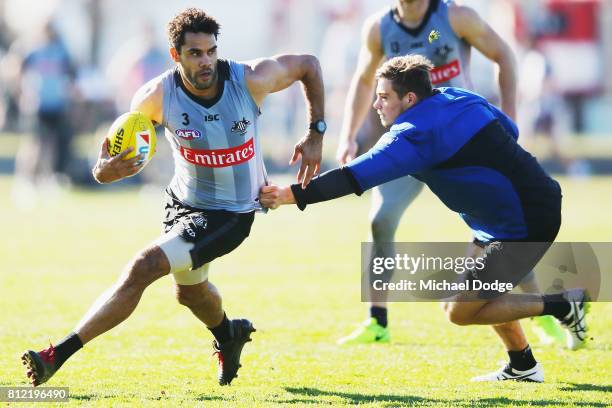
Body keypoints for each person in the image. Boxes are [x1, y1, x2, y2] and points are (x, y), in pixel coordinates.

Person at [22, 8, 325, 387]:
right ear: (175, 55)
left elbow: (309, 65)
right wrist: (104, 171)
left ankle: (56, 355)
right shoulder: (154, 97)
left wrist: (316, 132)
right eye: (195, 53)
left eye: (211, 51)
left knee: (144, 266)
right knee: (190, 294)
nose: (206, 61)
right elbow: (117, 153)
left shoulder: (248, 79)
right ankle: (228, 335)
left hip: (230, 214)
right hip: (182, 204)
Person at [260, 55, 589, 382]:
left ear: (410, 99)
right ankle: (523, 365)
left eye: (384, 96)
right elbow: (511, 130)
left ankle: (563, 305)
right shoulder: (455, 95)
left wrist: (292, 195)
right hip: (508, 213)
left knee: (462, 312)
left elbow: (350, 177)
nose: (376, 104)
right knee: (461, 301)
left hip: (525, 222)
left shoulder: (412, 134)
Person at [334, 0, 561, 347]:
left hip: (459, 147)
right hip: (408, 145)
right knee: (380, 219)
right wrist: (347, 135)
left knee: (499, 232)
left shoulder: (452, 18)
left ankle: (543, 312)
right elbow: (364, 80)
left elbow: (504, 55)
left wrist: (510, 115)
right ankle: (377, 321)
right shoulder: (379, 28)